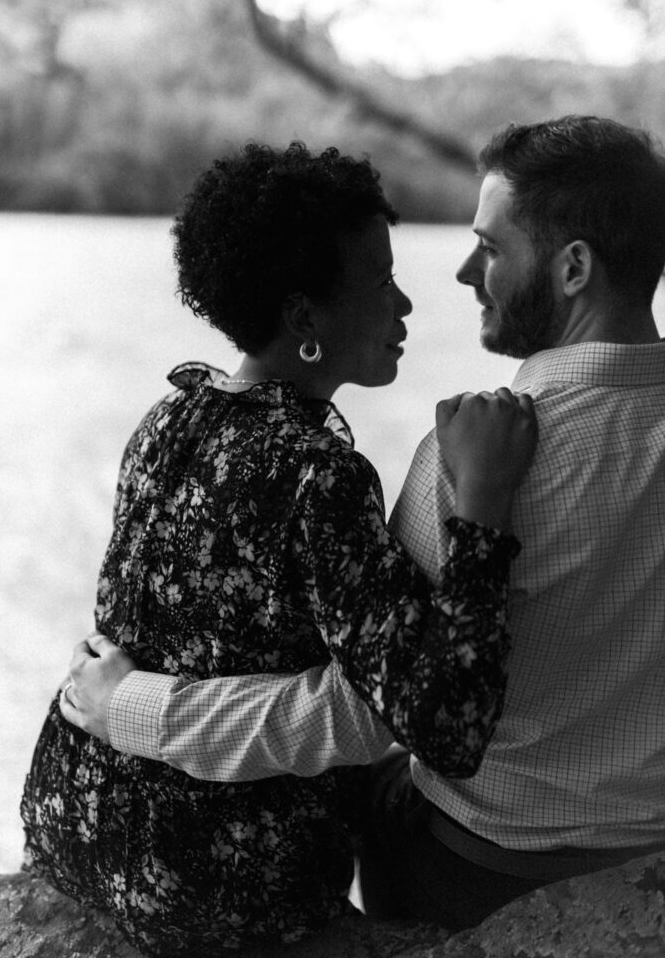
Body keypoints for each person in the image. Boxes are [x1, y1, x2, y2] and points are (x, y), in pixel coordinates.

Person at [61, 115, 665, 932]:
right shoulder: (367, 461)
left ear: (571, 269)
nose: (455, 275)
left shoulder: (467, 454)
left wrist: (130, 706)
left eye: (488, 248)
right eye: (386, 280)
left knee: (383, 792)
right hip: (646, 848)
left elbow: (375, 711)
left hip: (474, 862)